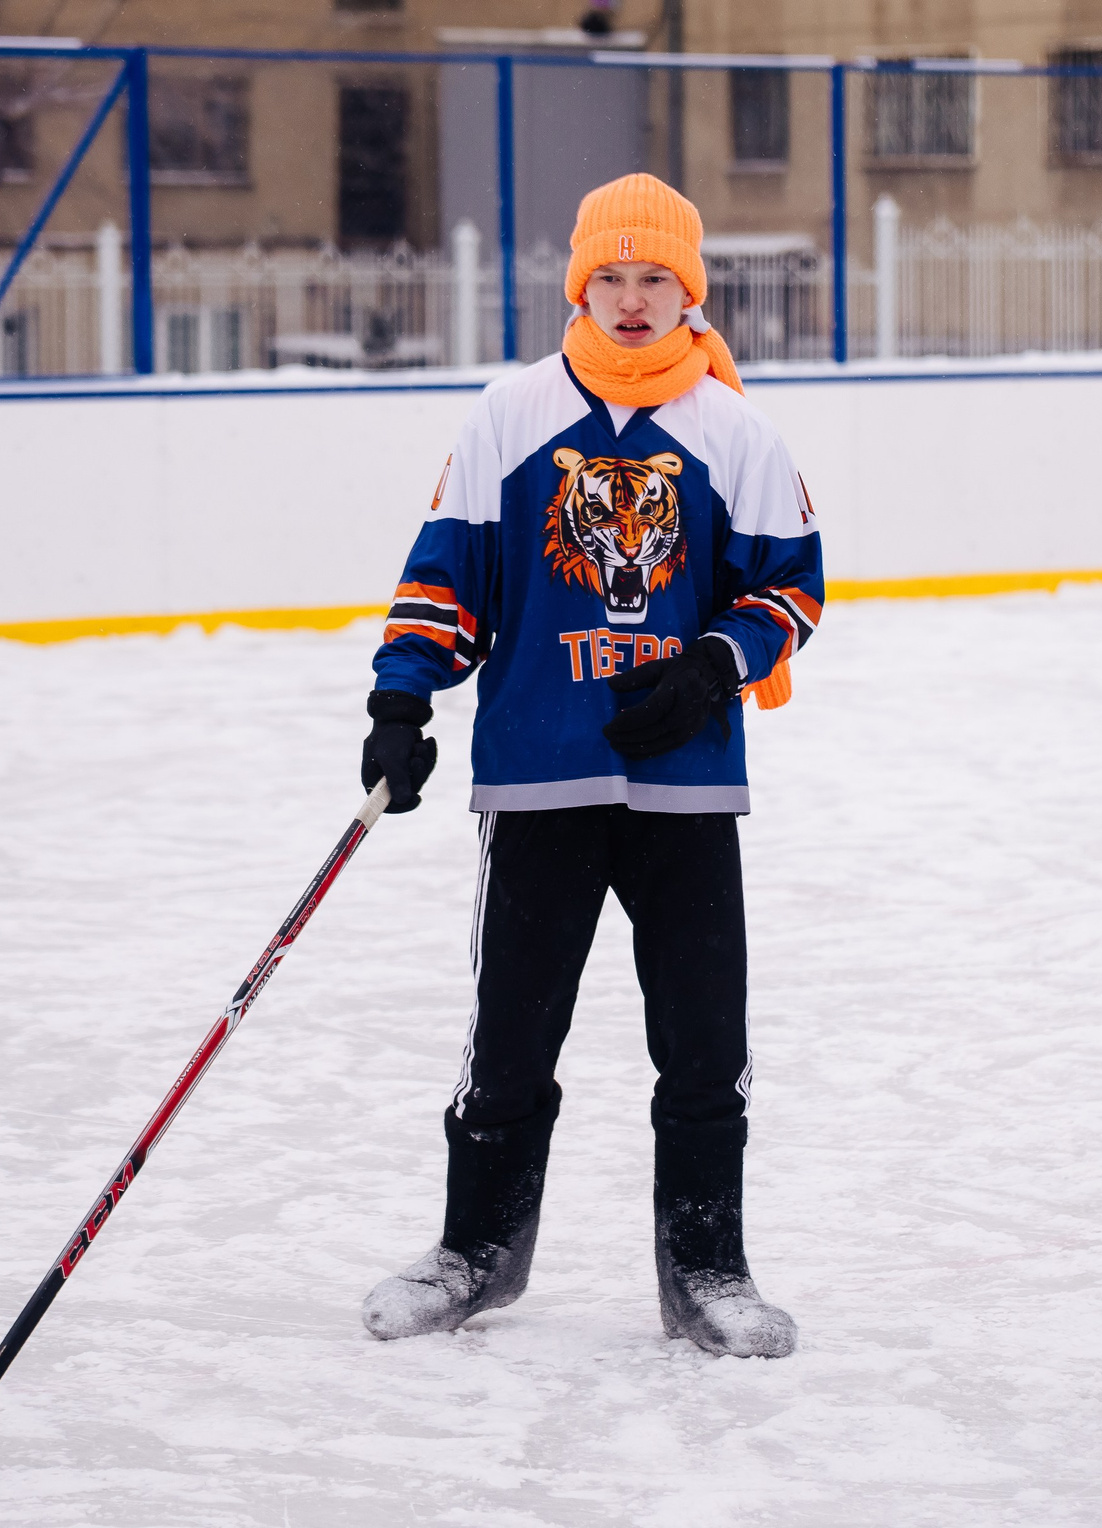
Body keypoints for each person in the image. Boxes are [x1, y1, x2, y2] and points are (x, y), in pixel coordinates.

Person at [355, 173, 822, 1356]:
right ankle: (473, 1252)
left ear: (688, 291)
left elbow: (793, 584)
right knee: (511, 1035)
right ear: (579, 285)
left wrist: (717, 662)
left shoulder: (733, 431)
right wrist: (402, 699)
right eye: (608, 277)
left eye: (653, 277)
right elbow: (448, 575)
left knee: (705, 1043)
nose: (629, 299)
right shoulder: (509, 417)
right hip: (538, 776)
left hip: (684, 785)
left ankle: (708, 1268)